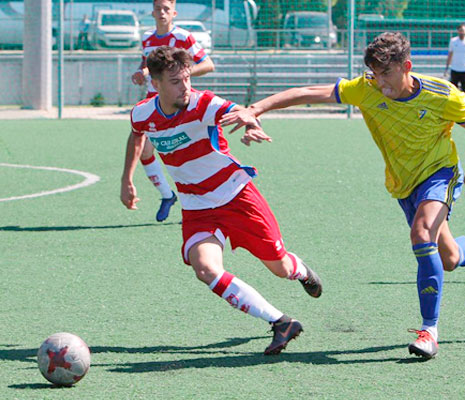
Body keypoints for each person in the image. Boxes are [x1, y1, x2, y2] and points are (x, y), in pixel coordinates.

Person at [220, 32, 465, 360]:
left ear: (406, 67)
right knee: (449, 258)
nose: (380, 83)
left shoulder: (441, 94)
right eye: (374, 73)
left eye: (386, 74)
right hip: (402, 183)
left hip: (439, 173)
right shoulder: (366, 88)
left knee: (421, 234)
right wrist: (255, 109)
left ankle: (429, 331)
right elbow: (312, 92)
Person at [121, 46, 322, 355]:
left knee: (280, 267)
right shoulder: (143, 113)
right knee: (205, 268)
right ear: (157, 83)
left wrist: (252, 124)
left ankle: (302, 271)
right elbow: (137, 136)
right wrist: (127, 179)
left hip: (235, 196)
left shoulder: (203, 104)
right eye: (175, 81)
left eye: (187, 78)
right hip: (196, 207)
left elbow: (239, 111)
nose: (185, 87)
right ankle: (281, 322)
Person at [130, 0, 216, 222]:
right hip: (153, 103)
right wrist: (141, 73)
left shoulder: (182, 37)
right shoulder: (147, 38)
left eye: (166, 9)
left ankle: (204, 201)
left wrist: (181, 77)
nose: (162, 12)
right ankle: (167, 196)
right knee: (145, 152)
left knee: (188, 154)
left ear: (174, 13)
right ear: (152, 12)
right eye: (158, 8)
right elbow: (147, 66)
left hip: (179, 104)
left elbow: (208, 64)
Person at [445, 23, 465, 97]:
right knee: (453, 91)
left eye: (463, 30)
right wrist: (447, 67)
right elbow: (450, 54)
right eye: (460, 30)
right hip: (455, 69)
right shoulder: (453, 41)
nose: (461, 32)